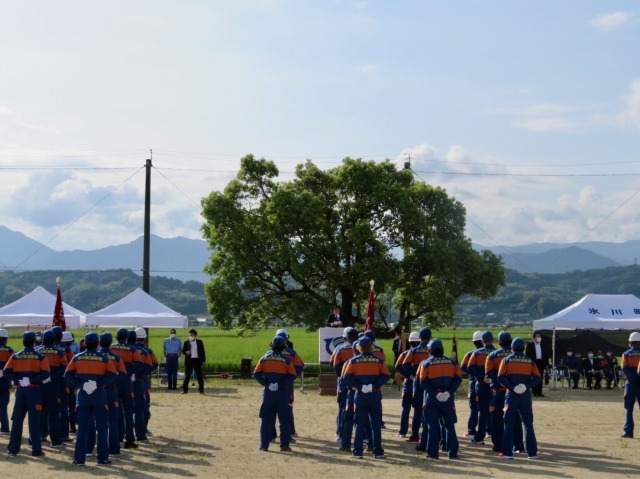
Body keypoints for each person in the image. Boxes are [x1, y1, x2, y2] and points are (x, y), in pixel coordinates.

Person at [64, 331, 117, 466]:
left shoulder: (77, 358)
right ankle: (102, 458)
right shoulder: (104, 359)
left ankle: (79, 459)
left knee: (82, 428)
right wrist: (98, 384)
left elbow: (68, 374)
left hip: (83, 396)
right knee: (102, 428)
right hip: (99, 395)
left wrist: (82, 385)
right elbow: (112, 375)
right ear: (98, 343)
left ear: (85, 343)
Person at [3, 331, 50, 457]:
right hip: (34, 392)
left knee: (17, 421)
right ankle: (36, 450)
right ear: (34, 342)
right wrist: (31, 380)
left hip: (20, 391)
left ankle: (13, 449)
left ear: (23, 342)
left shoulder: (15, 356)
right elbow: (46, 373)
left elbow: (6, 371)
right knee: (34, 421)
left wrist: (18, 380)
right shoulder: (40, 357)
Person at [342, 337, 390, 459]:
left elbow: (346, 377)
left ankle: (358, 451)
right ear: (371, 346)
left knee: (359, 424)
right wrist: (374, 386)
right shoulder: (379, 361)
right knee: (376, 425)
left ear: (359, 347)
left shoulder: (353, 361)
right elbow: (386, 375)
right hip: (374, 395)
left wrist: (360, 386)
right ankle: (377, 451)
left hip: (360, 396)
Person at [497, 337, 542, 460]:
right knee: (528, 424)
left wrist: (512, 387)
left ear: (512, 348)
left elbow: (500, 377)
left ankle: (507, 453)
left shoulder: (506, 360)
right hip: (525, 395)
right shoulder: (530, 361)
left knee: (509, 424)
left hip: (511, 395)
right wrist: (526, 386)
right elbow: (538, 378)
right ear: (524, 348)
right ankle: (532, 453)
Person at [418, 338, 462, 459]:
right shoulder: (452, 363)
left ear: (429, 350)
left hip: (432, 398)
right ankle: (452, 453)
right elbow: (458, 378)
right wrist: (449, 392)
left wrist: (435, 393)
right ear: (442, 349)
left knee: (433, 426)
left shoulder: (426, 364)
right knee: (449, 425)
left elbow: (423, 382)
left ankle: (433, 453)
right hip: (448, 398)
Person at [252, 335, 297, 452]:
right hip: (282, 393)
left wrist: (267, 384)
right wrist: (280, 384)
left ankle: (264, 446)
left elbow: (256, 374)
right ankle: (284, 445)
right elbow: (292, 375)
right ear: (284, 346)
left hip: (268, 394)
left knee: (266, 419)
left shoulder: (264, 358)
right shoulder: (286, 360)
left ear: (272, 345)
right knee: (284, 420)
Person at [485, 331, 524, 455]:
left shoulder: (492, 355)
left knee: (497, 420)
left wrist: (502, 379)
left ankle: (499, 445)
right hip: (514, 392)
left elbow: (489, 373)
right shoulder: (518, 356)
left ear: (499, 341)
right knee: (516, 419)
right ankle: (518, 445)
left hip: (498, 392)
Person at [110, 328, 143, 449]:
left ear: (116, 337)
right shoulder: (132, 349)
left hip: (113, 382)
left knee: (115, 411)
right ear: (127, 337)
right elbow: (139, 363)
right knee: (128, 413)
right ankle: (129, 439)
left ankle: (117, 437)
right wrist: (128, 372)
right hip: (126, 383)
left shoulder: (111, 348)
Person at [400, 327, 432, 449]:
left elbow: (404, 364)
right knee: (430, 409)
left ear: (420, 337)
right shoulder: (432, 348)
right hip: (430, 382)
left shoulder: (413, 351)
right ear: (430, 337)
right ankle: (429, 434)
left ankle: (414, 435)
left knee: (417, 409)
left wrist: (414, 374)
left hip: (418, 382)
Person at [35, 329, 68, 448]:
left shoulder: (36, 351)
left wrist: (40, 378)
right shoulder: (59, 353)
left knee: (40, 411)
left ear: (42, 339)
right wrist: (51, 377)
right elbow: (64, 368)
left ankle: (40, 435)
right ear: (54, 339)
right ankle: (55, 441)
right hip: (53, 387)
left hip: (39, 386)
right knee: (54, 413)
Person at [330, 327, 358, 449]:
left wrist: (342, 376)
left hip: (343, 383)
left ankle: (341, 434)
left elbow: (333, 364)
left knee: (343, 409)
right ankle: (362, 436)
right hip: (358, 384)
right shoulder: (361, 347)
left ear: (345, 337)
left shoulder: (340, 348)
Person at [467, 331, 496, 445]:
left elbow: (469, 367)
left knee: (483, 412)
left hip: (481, 385)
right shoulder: (497, 353)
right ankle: (494, 435)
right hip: (494, 386)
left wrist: (481, 377)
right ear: (492, 340)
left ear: (482, 341)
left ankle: (480, 437)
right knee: (494, 411)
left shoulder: (476, 353)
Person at [276, 329, 304, 441]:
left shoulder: (269, 354)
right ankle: (290, 432)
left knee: (272, 409)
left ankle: (271, 435)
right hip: (287, 384)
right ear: (286, 340)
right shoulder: (291, 353)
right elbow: (300, 366)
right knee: (288, 407)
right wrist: (291, 376)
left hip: (272, 385)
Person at [394, 332, 421, 438]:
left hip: (409, 383)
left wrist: (409, 375)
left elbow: (398, 366)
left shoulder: (405, 354)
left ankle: (402, 432)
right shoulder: (426, 353)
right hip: (420, 383)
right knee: (418, 409)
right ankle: (416, 433)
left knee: (405, 408)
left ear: (409, 342)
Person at [460, 331, 483, 437]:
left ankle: (471, 430)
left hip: (474, 382)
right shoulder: (491, 352)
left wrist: (473, 373)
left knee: (474, 408)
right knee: (487, 408)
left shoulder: (470, 354)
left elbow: (463, 366)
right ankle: (488, 430)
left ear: (474, 342)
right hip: (488, 384)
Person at [621, 331, 640, 438]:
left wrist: (634, 377)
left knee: (629, 409)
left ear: (630, 342)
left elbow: (624, 368)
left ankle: (628, 432)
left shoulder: (626, 354)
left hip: (631, 383)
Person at [525, 331, 549, 398]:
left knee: (540, 377)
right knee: (533, 378)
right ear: (534, 338)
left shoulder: (543, 345)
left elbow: (546, 355)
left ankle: (539, 392)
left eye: (539, 336)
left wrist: (547, 364)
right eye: (537, 336)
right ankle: (534, 392)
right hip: (533, 363)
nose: (539, 338)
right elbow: (527, 355)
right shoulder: (530, 345)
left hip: (541, 363)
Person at [182, 329, 206, 394]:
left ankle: (201, 390)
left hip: (197, 360)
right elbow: (183, 351)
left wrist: (203, 360)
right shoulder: (186, 342)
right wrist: (186, 352)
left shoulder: (199, 342)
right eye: (189, 335)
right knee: (187, 376)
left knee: (199, 376)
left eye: (191, 335)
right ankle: (185, 390)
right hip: (189, 361)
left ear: (195, 335)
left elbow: (203, 351)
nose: (190, 336)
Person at [0, 328, 14, 434]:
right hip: (5, 381)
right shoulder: (10, 350)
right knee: (3, 405)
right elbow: (13, 367)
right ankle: (4, 428)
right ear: (6, 339)